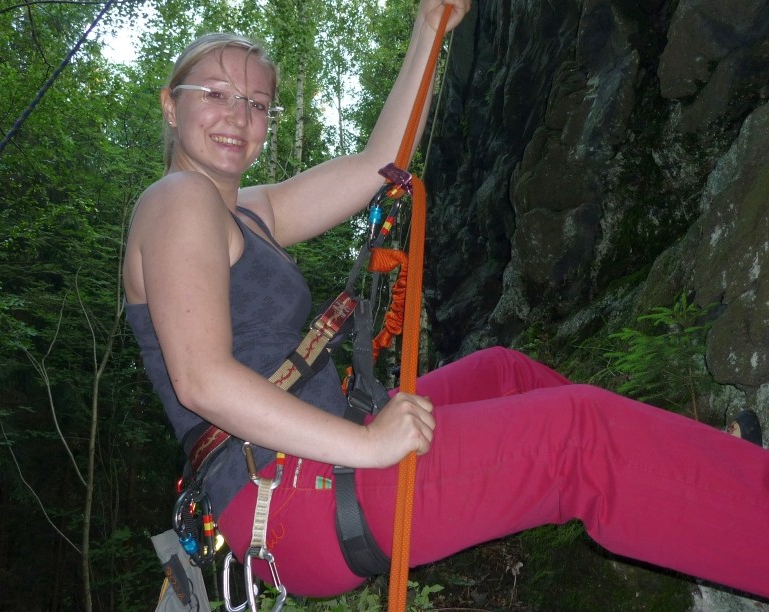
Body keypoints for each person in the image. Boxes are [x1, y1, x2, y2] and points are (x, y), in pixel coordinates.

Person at [123, 0, 769, 601]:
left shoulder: (249, 211)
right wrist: (369, 448)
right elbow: (202, 380)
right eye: (214, 95)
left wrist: (430, 27)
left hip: (311, 463)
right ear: (170, 107)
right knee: (577, 435)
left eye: (257, 103)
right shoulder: (177, 200)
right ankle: (731, 510)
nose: (238, 115)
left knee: (504, 373)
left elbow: (383, 161)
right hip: (294, 496)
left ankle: (692, 476)